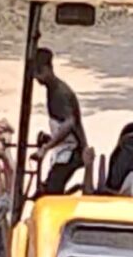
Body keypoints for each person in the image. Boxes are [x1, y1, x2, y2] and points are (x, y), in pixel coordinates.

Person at [30, 49, 89, 196]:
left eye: (39, 72)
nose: (37, 78)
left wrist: (46, 148)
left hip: (72, 151)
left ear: (48, 68)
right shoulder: (52, 89)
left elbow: (69, 123)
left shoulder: (60, 93)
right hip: (64, 149)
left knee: (51, 193)